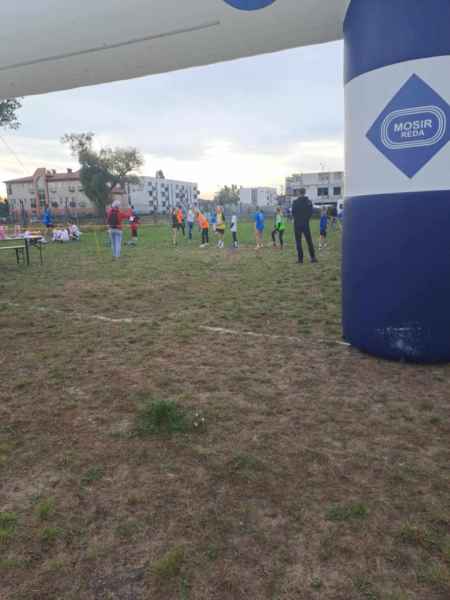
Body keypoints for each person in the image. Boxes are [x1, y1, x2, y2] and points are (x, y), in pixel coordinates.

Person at [292, 189, 317, 264]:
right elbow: (311, 212)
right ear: (304, 193)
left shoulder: (295, 202)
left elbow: (293, 213)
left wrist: (297, 219)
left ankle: (300, 259)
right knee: (309, 241)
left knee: (298, 242)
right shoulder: (308, 202)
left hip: (297, 224)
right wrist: (306, 219)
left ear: (299, 193)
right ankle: (313, 257)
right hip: (305, 223)